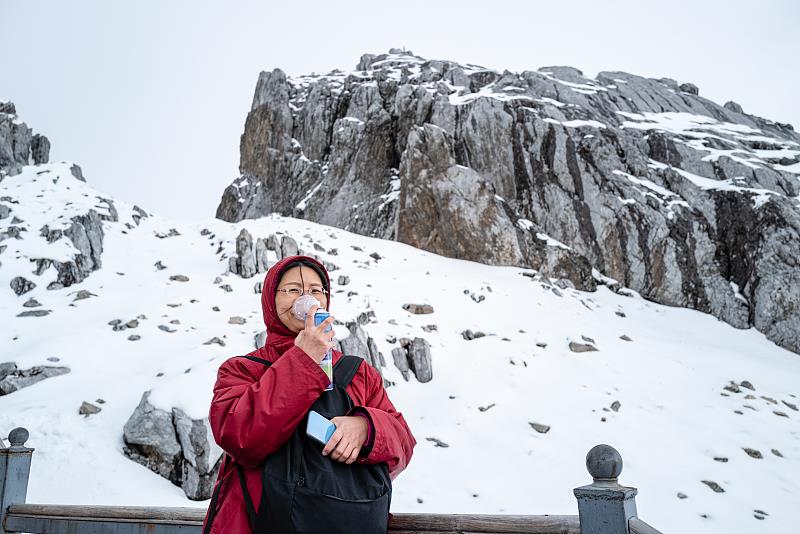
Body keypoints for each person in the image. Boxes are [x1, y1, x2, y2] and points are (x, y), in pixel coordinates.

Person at [202, 255, 416, 534]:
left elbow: (403, 442)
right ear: (271, 301)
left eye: (316, 290)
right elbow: (239, 435)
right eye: (293, 289)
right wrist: (303, 359)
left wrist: (366, 427)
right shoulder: (243, 369)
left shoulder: (359, 372)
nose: (306, 298)